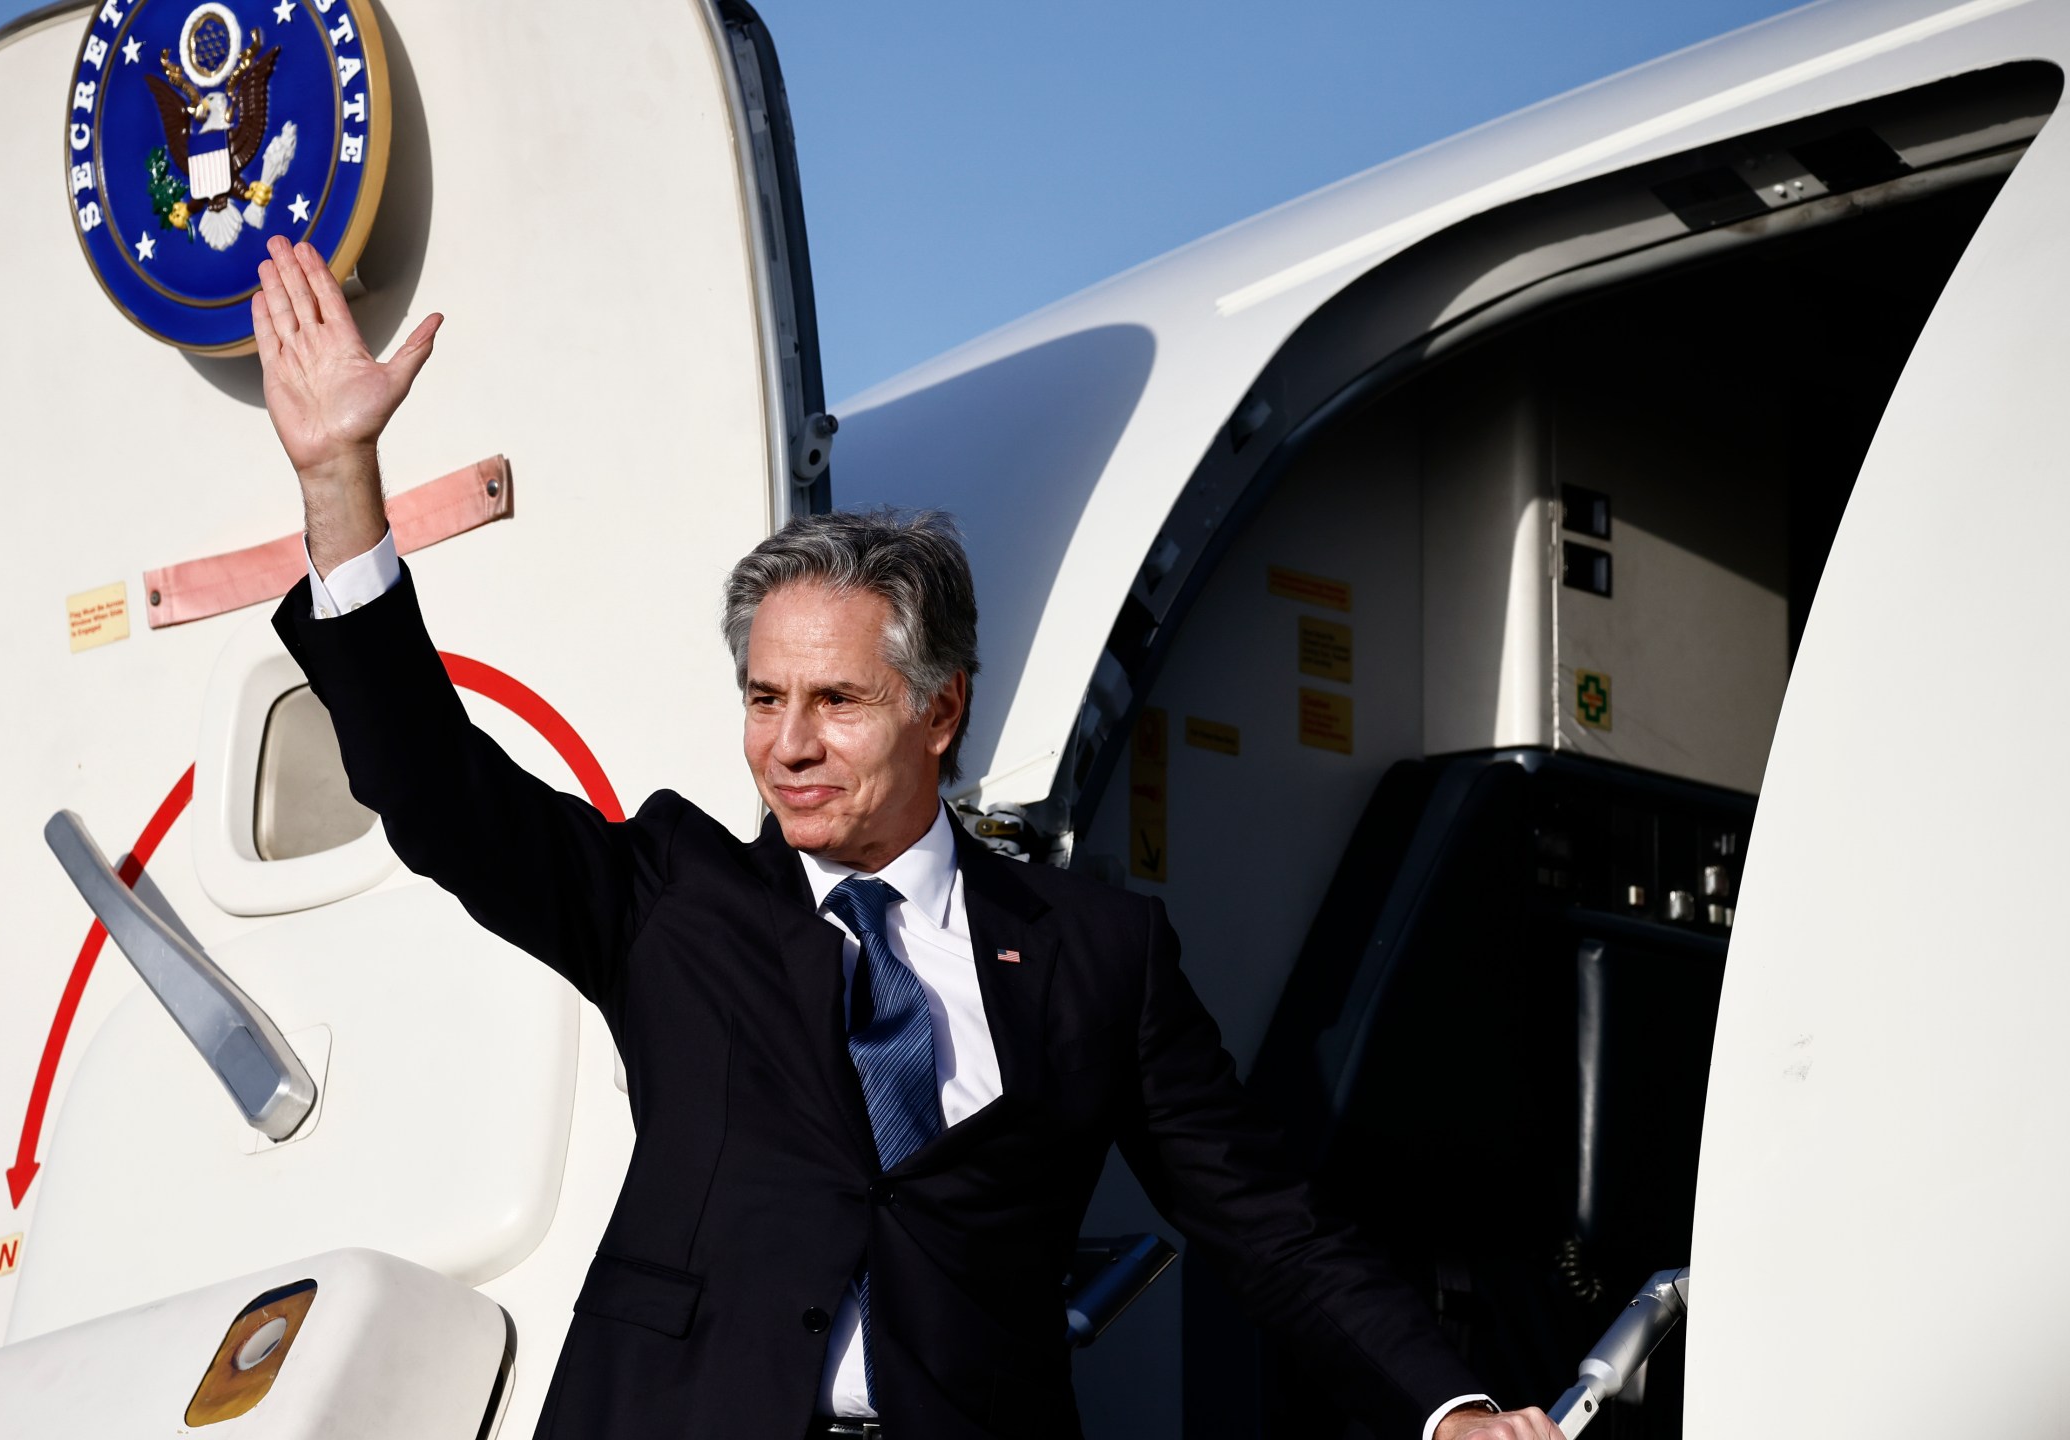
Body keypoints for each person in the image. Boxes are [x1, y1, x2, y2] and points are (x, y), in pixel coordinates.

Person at [248, 235, 1564, 1440]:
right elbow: (434, 790)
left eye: (836, 702)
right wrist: (339, 484)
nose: (787, 744)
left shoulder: (1101, 957)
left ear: (941, 712)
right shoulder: (670, 898)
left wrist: (1447, 1408)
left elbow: (1269, 1226)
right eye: (765, 699)